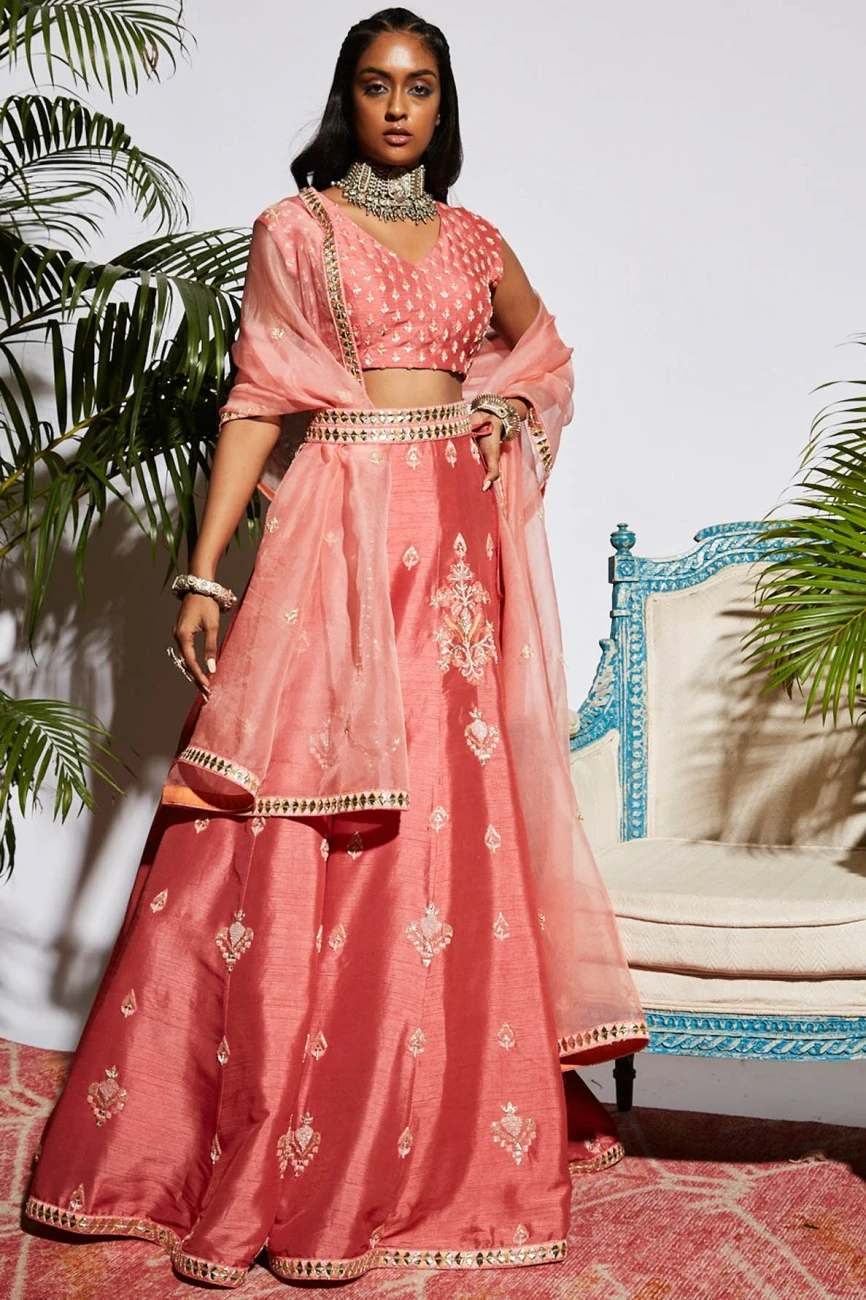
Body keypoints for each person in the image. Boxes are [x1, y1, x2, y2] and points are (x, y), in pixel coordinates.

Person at [23, 7, 648, 1288]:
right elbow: (259, 397)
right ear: (346, 98)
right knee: (300, 807)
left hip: (452, 557)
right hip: (340, 530)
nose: (398, 107)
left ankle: (436, 1120)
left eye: (419, 87)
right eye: (376, 84)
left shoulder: (474, 238)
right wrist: (204, 567)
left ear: (443, 104)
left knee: (449, 813)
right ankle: (269, 1123)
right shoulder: (294, 231)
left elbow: (544, 355)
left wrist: (508, 407)